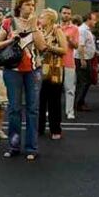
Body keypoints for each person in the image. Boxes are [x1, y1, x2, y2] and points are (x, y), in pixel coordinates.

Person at [0, 0, 47, 161]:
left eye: (33, 5)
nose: (31, 7)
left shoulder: (37, 23)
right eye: (27, 4)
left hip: (33, 70)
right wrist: (10, 40)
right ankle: (14, 145)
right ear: (20, 6)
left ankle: (32, 147)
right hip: (13, 70)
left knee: (32, 109)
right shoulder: (9, 22)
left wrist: (34, 28)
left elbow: (42, 47)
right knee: (14, 109)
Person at [38, 8, 67, 140]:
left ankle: (56, 129)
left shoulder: (57, 30)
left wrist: (49, 47)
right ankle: (40, 128)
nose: (40, 19)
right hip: (40, 69)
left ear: (49, 19)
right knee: (40, 101)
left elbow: (64, 49)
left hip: (55, 69)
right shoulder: (40, 31)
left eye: (42, 17)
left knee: (54, 101)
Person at [74, 12, 98, 112]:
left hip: (86, 58)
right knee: (84, 82)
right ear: (88, 19)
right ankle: (78, 103)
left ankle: (80, 101)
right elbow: (81, 45)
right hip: (82, 59)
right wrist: (83, 59)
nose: (95, 22)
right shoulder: (83, 30)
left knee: (83, 81)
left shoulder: (86, 30)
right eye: (94, 19)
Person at [59, 5, 79, 120]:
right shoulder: (55, 27)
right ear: (60, 14)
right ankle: (50, 110)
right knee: (54, 88)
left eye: (68, 13)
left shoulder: (74, 29)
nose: (66, 15)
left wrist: (68, 39)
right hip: (56, 62)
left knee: (69, 89)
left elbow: (76, 45)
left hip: (69, 62)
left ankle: (70, 111)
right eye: (64, 13)